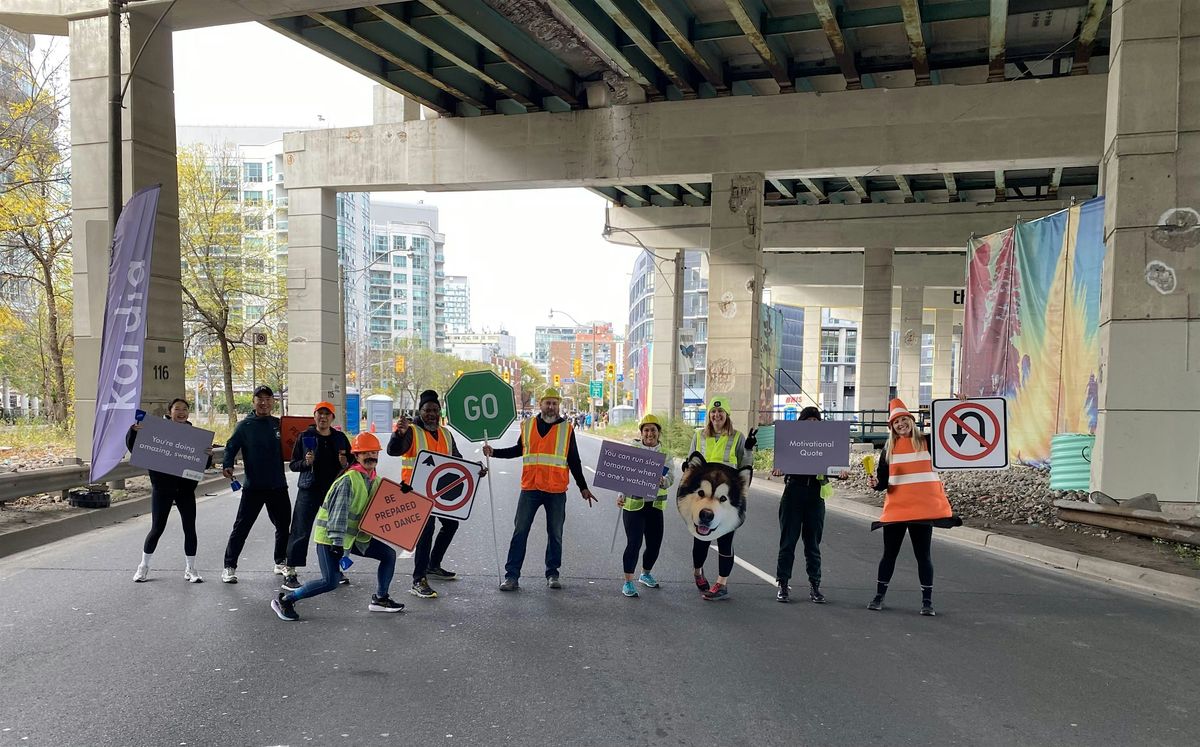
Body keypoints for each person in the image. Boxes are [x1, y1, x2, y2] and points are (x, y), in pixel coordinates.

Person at [270, 431, 405, 621]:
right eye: (365, 453)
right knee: (330, 581)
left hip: (352, 538)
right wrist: (337, 544)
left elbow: (390, 500)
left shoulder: (373, 479)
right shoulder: (349, 480)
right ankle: (286, 600)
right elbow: (338, 515)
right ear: (356, 455)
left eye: (374, 452)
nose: (371, 456)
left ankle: (381, 599)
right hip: (331, 538)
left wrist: (406, 495)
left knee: (388, 555)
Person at [483, 387, 596, 591]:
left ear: (558, 405)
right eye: (548, 403)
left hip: (556, 489)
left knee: (555, 534)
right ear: (541, 404)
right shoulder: (527, 425)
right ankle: (512, 577)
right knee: (520, 532)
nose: (551, 407)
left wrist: (583, 487)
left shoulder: (566, 429)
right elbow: (518, 450)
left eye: (554, 403)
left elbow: (574, 460)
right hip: (531, 488)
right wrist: (494, 452)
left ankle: (552, 573)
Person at [387, 389, 485, 600]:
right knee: (426, 531)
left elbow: (457, 460)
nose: (431, 413)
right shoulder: (412, 431)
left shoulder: (446, 433)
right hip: (416, 492)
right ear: (420, 411)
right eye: (427, 410)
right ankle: (418, 579)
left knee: (451, 524)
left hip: (440, 494)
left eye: (435, 410)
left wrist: (475, 469)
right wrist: (398, 434)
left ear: (440, 412)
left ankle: (433, 565)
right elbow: (394, 451)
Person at [867, 398, 961, 616]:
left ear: (911, 420)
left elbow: (955, 435)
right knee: (889, 555)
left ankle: (927, 601)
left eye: (904, 419)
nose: (901, 424)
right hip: (898, 510)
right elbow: (882, 483)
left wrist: (961, 407)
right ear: (892, 427)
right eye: (896, 422)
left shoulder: (928, 442)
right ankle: (879, 596)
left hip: (923, 510)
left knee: (923, 556)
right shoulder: (888, 450)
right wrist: (875, 484)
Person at [128, 398, 213, 583]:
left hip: (185, 489)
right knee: (157, 528)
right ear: (170, 411)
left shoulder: (195, 436)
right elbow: (136, 448)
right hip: (162, 488)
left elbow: (203, 465)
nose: (181, 412)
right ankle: (143, 566)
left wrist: (207, 455)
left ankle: (191, 569)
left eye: (184, 409)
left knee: (190, 529)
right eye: (177, 409)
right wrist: (133, 433)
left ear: (188, 413)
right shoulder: (156, 430)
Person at [770, 406, 849, 604]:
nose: (812, 425)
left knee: (813, 544)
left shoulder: (825, 443)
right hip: (793, 492)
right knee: (788, 542)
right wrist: (778, 470)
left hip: (815, 494)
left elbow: (835, 463)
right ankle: (783, 584)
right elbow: (779, 464)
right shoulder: (789, 442)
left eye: (816, 421)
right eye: (808, 421)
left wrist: (841, 472)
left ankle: (815, 585)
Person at [220, 385, 292, 584]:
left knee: (283, 525)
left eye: (268, 399)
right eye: (260, 399)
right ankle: (229, 566)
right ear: (253, 402)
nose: (264, 403)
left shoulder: (279, 425)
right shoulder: (245, 426)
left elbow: (294, 445)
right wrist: (227, 464)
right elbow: (231, 446)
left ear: (273, 402)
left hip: (278, 484)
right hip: (253, 487)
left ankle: (280, 561)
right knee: (242, 527)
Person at [687, 397, 757, 601]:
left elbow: (745, 467)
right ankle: (698, 573)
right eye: (713, 412)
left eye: (721, 412)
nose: (717, 415)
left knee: (725, 542)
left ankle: (721, 584)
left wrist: (750, 449)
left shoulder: (737, 437)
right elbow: (691, 460)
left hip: (725, 502)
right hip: (702, 498)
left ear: (727, 415)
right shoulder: (699, 436)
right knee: (700, 541)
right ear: (709, 415)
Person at [280, 402, 352, 591]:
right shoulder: (305, 437)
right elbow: (294, 464)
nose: (323, 417)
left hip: (333, 491)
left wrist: (345, 463)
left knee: (334, 531)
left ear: (332, 418)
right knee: (300, 529)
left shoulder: (340, 438)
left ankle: (334, 569)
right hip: (309, 489)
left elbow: (352, 462)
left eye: (327, 414)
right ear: (314, 416)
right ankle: (291, 571)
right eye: (320, 414)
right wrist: (305, 462)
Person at [616, 414, 673, 598]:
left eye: (653, 430)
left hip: (655, 506)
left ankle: (645, 573)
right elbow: (622, 474)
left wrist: (663, 481)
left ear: (658, 433)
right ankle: (628, 582)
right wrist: (620, 494)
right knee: (634, 543)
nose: (650, 433)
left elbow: (671, 477)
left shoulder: (665, 454)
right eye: (646, 430)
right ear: (641, 433)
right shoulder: (633, 450)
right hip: (634, 506)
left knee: (654, 545)